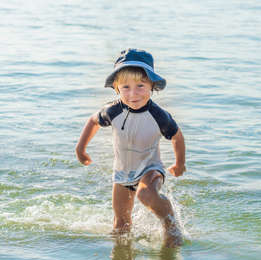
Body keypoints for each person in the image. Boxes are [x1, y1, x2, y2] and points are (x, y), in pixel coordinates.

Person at [75, 49, 186, 247]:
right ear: (116, 88)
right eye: (126, 87)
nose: (133, 94)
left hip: (150, 169)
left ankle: (170, 225)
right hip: (122, 174)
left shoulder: (158, 115)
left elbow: (176, 136)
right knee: (120, 226)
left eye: (140, 86)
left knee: (145, 194)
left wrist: (179, 163)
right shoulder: (113, 110)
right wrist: (81, 149)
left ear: (152, 85)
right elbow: (93, 121)